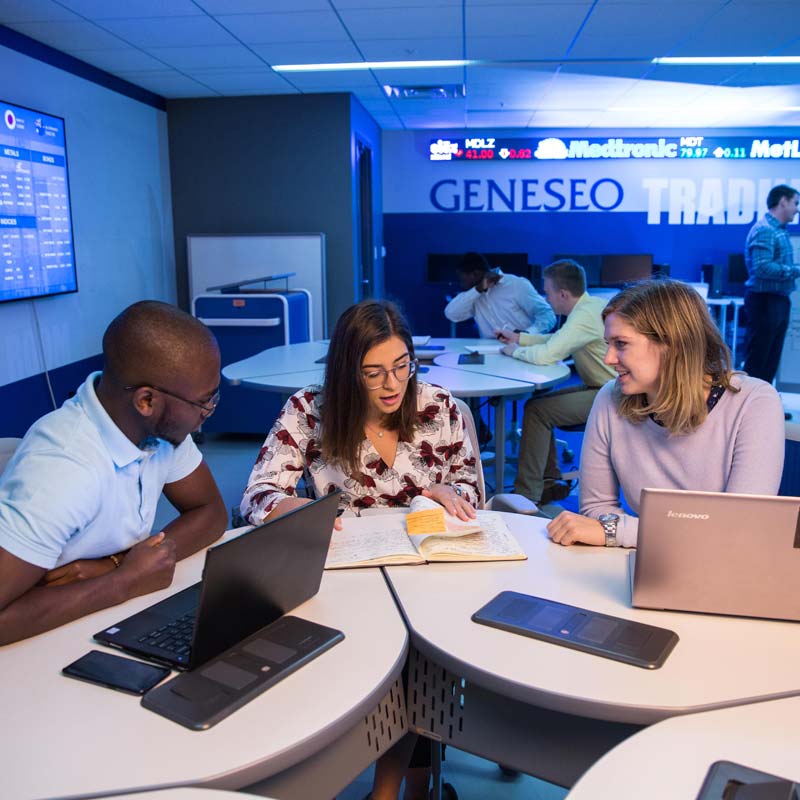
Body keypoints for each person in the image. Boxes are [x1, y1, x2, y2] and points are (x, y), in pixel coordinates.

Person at [241, 299, 478, 800]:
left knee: (422, 652)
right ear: (348, 371)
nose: (393, 385)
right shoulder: (309, 409)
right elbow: (258, 496)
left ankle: (396, 790)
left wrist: (449, 494)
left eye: (401, 366)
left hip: (425, 564)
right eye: (373, 374)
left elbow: (470, 489)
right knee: (392, 653)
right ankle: (395, 789)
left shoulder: (440, 406)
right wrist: (305, 513)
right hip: (350, 570)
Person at [0, 301, 228, 646]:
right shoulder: (63, 471)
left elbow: (211, 513)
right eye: (203, 403)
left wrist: (117, 563)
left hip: (100, 618)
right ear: (146, 401)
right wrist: (123, 581)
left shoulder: (160, 432)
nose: (208, 413)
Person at [547, 279, 785, 549]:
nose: (608, 359)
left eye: (621, 344)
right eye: (608, 344)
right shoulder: (610, 398)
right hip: (650, 562)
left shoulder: (754, 402)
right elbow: (597, 507)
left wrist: (621, 532)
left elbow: (740, 528)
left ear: (673, 344)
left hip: (727, 570)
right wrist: (630, 533)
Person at [496, 259, 615, 504]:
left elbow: (548, 354)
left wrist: (514, 351)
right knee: (539, 403)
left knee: (538, 411)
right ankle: (549, 483)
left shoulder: (583, 317)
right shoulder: (588, 308)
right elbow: (558, 339)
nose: (546, 297)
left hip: (613, 395)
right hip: (604, 387)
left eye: (547, 292)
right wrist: (520, 338)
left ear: (562, 294)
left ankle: (526, 495)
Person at [743, 184, 800, 384]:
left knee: (770, 360)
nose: (797, 208)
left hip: (777, 301)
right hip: (766, 302)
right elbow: (762, 268)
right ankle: (748, 408)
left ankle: (764, 406)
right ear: (782, 201)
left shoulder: (779, 231)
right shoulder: (765, 230)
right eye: (795, 203)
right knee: (759, 359)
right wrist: (796, 270)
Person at [444, 251, 555, 338]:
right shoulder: (473, 294)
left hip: (522, 348)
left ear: (475, 274)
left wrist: (527, 334)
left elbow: (547, 315)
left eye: (461, 276)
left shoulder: (516, 284)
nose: (460, 282)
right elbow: (451, 315)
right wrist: (478, 289)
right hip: (490, 352)